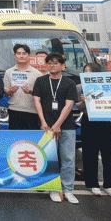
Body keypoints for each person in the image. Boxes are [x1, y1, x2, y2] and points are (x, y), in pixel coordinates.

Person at [32, 53, 78, 204]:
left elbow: (69, 105)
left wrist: (58, 124)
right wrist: (43, 122)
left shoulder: (69, 83)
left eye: (55, 63)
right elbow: (37, 101)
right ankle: (53, 188)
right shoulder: (40, 81)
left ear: (62, 66)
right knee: (50, 158)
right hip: (46, 127)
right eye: (49, 63)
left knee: (68, 158)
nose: (52, 65)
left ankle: (68, 189)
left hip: (67, 126)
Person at [77, 63, 111, 197]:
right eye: (85, 70)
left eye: (90, 70)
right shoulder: (79, 87)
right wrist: (84, 101)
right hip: (88, 121)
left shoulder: (106, 85)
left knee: (109, 154)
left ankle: (110, 183)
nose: (87, 72)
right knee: (89, 153)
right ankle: (92, 184)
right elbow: (77, 106)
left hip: (105, 121)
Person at [4, 44, 42, 130]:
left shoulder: (37, 74)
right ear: (15, 55)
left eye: (24, 53)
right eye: (19, 53)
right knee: (15, 137)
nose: (21, 56)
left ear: (29, 56)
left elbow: (41, 94)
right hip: (14, 110)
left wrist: (31, 92)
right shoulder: (8, 72)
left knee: (32, 137)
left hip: (32, 111)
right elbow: (6, 92)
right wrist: (10, 91)